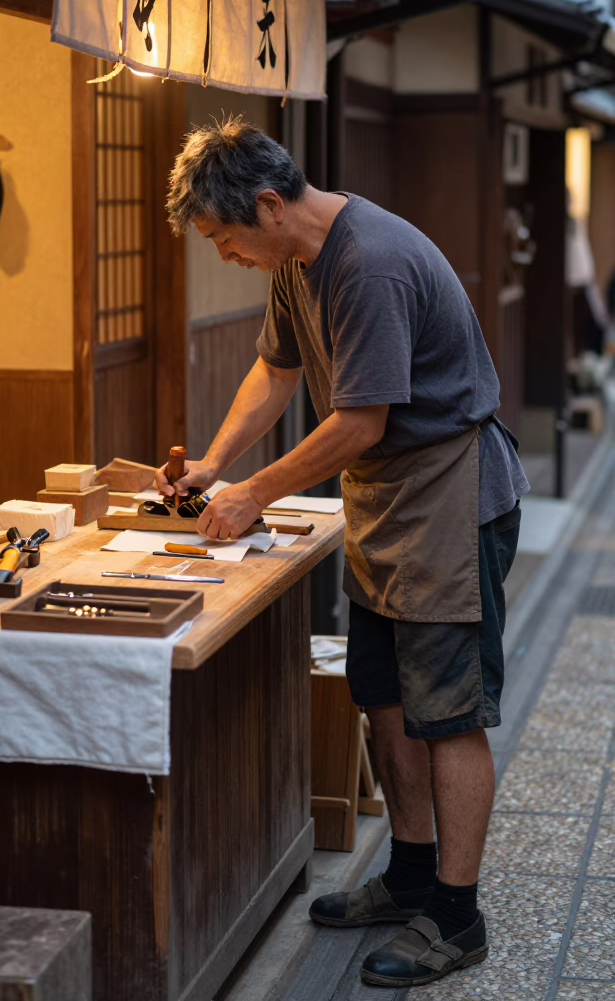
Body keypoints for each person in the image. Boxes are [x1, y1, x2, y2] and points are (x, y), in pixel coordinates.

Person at [156, 117, 528, 989]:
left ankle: (458, 915)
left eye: (222, 237)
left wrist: (254, 494)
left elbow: (362, 420)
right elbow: (276, 371)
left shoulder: (369, 262)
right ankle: (409, 875)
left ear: (268, 205)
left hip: (448, 494)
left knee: (449, 713)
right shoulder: (295, 259)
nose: (225, 256)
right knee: (385, 698)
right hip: (383, 499)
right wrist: (215, 464)